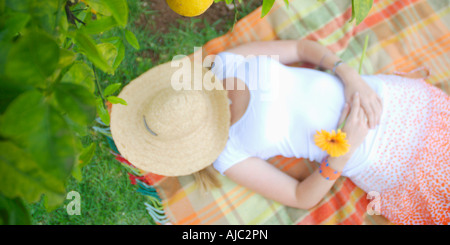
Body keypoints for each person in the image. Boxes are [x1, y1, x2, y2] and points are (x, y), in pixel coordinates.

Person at [110, 39, 449, 225]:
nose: (223, 104)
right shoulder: (227, 153)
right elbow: (303, 197)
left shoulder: (228, 62)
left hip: (386, 97)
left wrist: (350, 76)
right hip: (381, 157)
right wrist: (343, 151)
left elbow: (301, 50)